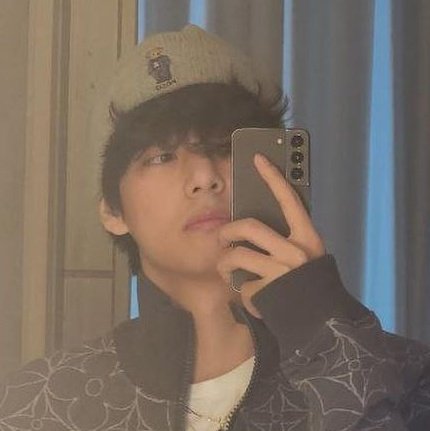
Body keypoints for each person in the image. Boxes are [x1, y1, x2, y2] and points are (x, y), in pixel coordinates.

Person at [1, 24, 429, 431]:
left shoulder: (408, 377)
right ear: (114, 210)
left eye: (224, 147)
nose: (205, 177)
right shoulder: (42, 403)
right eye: (161, 157)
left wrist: (328, 338)